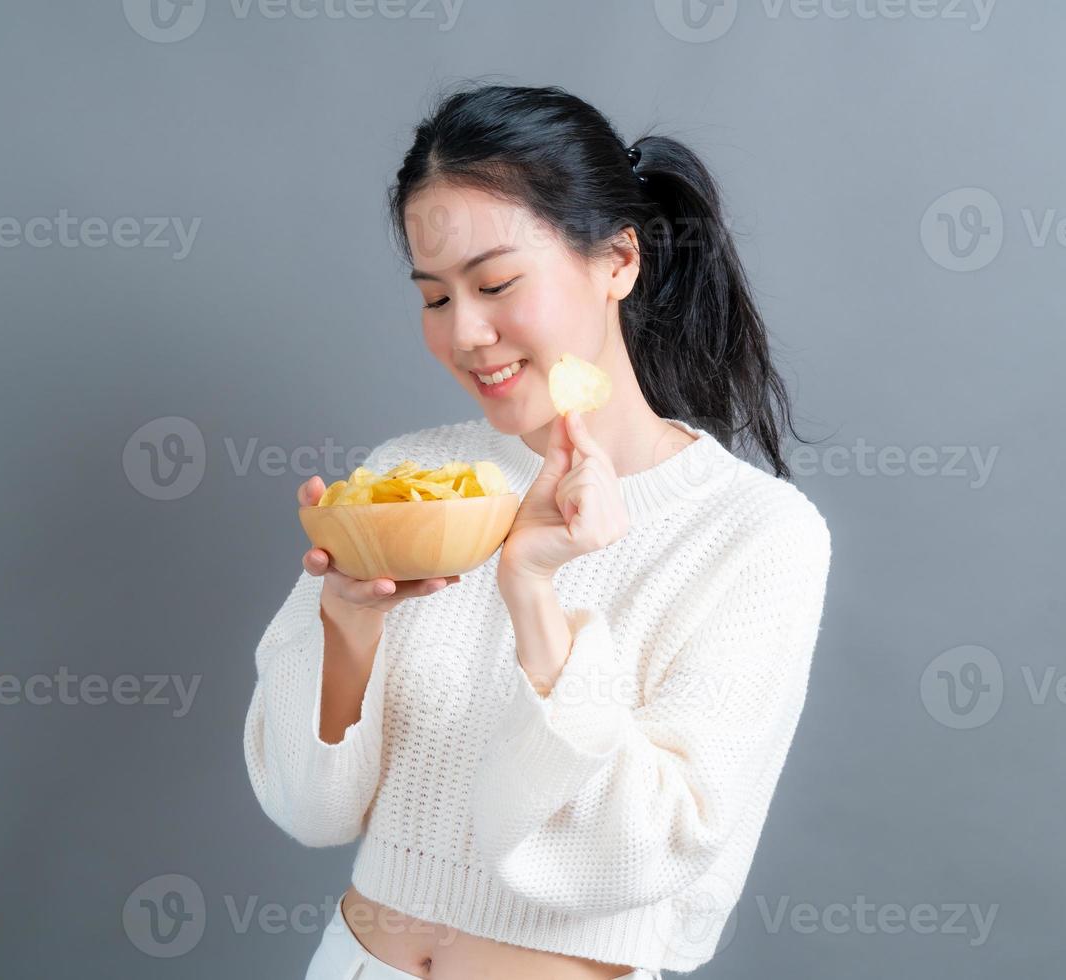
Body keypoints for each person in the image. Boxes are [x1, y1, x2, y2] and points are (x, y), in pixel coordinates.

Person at [245, 82, 833, 979]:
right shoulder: (414, 480)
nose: (467, 333)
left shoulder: (753, 536)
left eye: (496, 283)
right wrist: (349, 619)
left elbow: (646, 849)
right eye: (435, 298)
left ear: (619, 262)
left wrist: (533, 594)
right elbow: (310, 808)